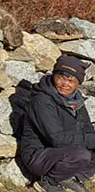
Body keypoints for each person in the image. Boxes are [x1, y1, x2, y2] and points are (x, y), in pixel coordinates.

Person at [17, 55, 95, 192]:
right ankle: (48, 181)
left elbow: (87, 130)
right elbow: (57, 139)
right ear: (54, 76)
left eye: (71, 80)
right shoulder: (41, 101)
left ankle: (73, 178)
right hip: (38, 156)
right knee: (81, 154)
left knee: (86, 149)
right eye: (61, 78)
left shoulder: (77, 101)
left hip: (65, 152)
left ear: (78, 83)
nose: (65, 84)